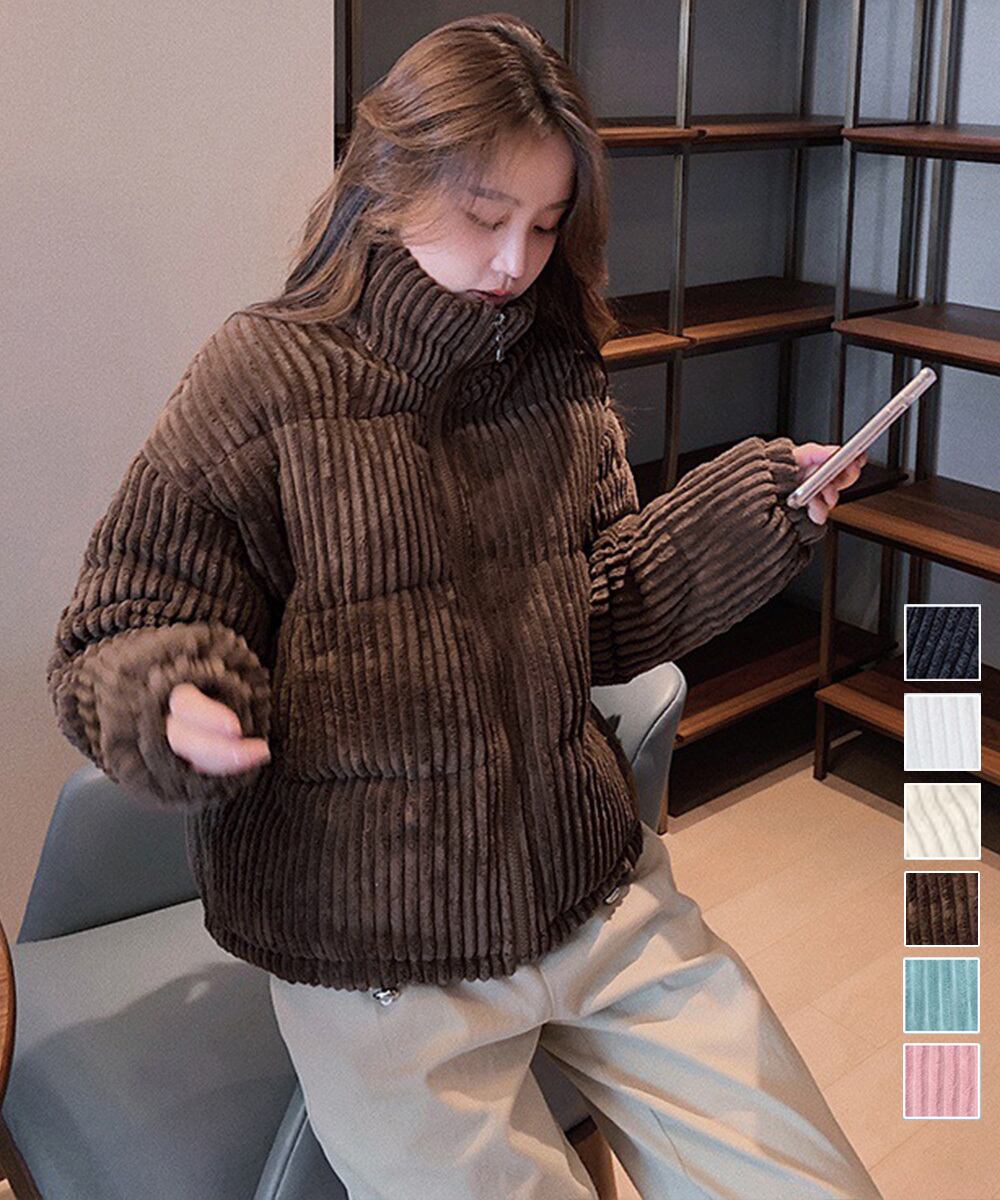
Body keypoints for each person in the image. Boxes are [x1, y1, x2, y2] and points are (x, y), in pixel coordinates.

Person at [47, 13, 883, 1200]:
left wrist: (759, 508)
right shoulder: (261, 377)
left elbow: (599, 612)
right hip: (374, 951)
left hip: (589, 890)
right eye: (486, 215)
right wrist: (168, 697)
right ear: (389, 177)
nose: (515, 261)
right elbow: (111, 626)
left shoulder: (552, 369)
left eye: (545, 224)